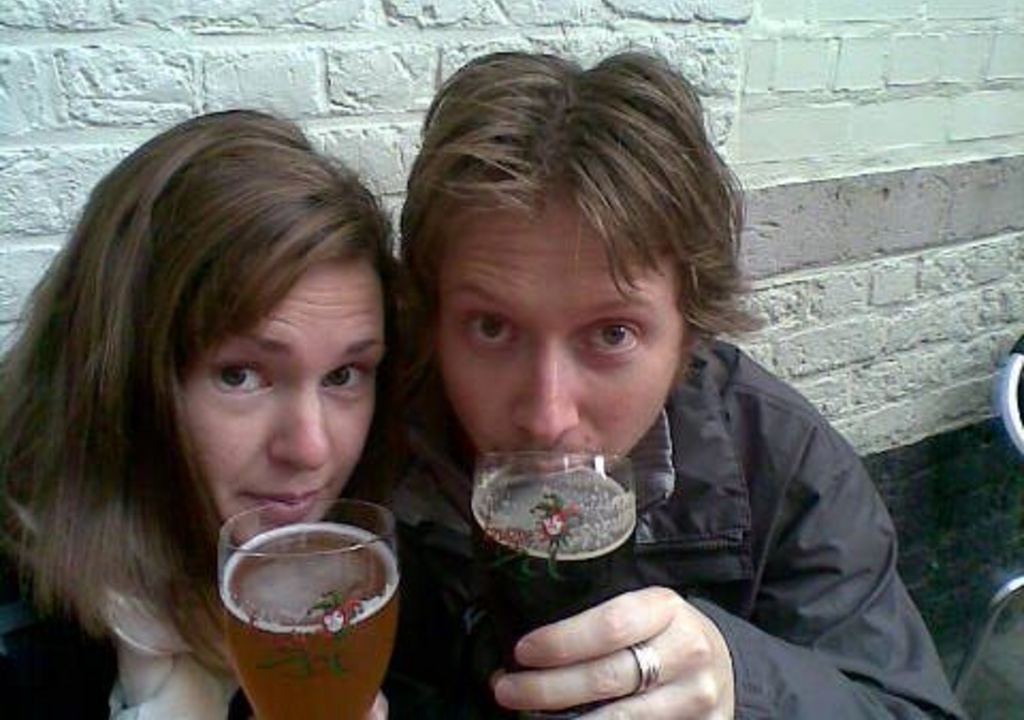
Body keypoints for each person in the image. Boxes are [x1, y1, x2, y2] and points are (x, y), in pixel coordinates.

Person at [389, 51, 966, 718]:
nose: (547, 416)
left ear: (690, 334)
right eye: (491, 328)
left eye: (612, 334)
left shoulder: (781, 463)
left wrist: (744, 683)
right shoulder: (365, 440)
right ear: (433, 318)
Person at [0, 110, 397, 719]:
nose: (310, 449)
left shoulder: (375, 573)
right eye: (240, 376)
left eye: (343, 375)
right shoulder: (25, 643)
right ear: (121, 378)